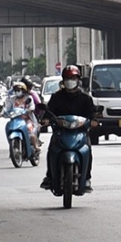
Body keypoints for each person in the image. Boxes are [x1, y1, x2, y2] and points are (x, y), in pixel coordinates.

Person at [40, 65, 99, 194]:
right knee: (52, 151)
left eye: (73, 78)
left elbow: (92, 113)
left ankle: (87, 178)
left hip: (80, 132)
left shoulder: (85, 98)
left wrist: (94, 120)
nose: (70, 81)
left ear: (78, 80)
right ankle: (50, 176)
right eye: (67, 78)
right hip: (61, 132)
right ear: (63, 80)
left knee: (87, 150)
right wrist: (46, 119)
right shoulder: (57, 97)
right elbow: (49, 112)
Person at [8, 80, 41, 156]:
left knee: (30, 131)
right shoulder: (12, 99)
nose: (17, 92)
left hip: (26, 120)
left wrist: (30, 109)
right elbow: (7, 107)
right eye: (16, 90)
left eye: (19, 90)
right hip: (16, 120)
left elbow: (32, 106)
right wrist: (3, 112)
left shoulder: (28, 98)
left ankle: (35, 146)